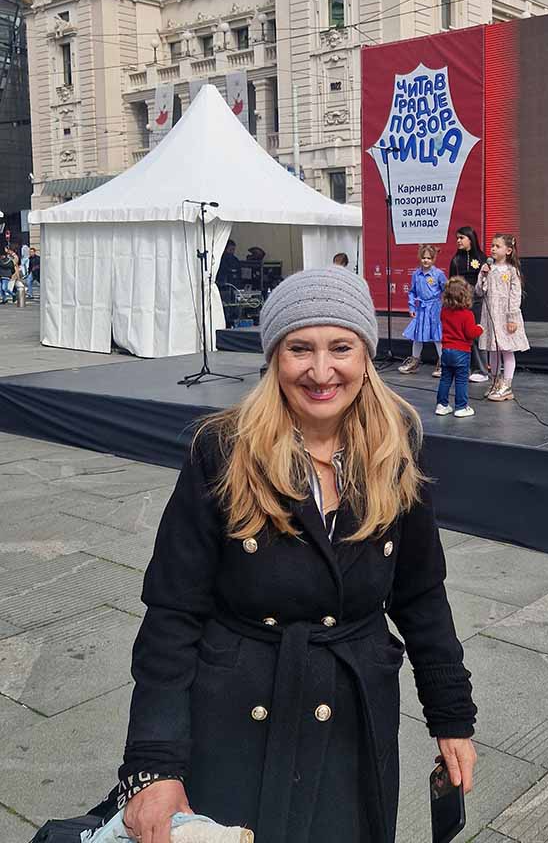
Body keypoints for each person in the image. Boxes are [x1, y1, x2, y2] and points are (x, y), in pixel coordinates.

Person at [117, 268, 477, 843]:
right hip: (237, 714)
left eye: (341, 347)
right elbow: (172, 612)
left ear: (365, 354)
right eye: (300, 348)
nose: (321, 370)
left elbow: (420, 594)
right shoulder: (223, 450)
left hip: (354, 715)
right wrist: (154, 764)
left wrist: (451, 715)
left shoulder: (397, 448)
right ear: (274, 357)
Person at [476, 233, 530, 402]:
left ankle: (507, 385)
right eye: (492, 245)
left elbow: (515, 295)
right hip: (490, 316)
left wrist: (512, 318)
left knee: (506, 350)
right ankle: (495, 381)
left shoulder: (512, 271)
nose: (493, 249)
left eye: (497, 246)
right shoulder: (487, 268)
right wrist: (483, 275)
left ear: (508, 250)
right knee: (493, 349)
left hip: (505, 316)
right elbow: (479, 291)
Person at [435, 278, 484, 419]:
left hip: (446, 350)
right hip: (461, 352)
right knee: (461, 380)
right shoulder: (467, 314)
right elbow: (470, 333)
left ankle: (442, 405)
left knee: (445, 379)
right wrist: (479, 329)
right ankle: (461, 407)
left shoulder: (444, 311)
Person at [398, 244, 446, 378]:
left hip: (435, 309)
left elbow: (447, 290)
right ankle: (414, 362)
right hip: (421, 309)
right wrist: (412, 307)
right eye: (424, 258)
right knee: (417, 335)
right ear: (420, 258)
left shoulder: (439, 274)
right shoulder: (416, 274)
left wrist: (444, 305)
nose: (426, 260)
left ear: (433, 259)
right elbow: (412, 291)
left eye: (429, 258)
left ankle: (443, 363)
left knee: (437, 336)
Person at [449, 227, 489, 383]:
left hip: (477, 301)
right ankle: (465, 368)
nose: (458, 241)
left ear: (470, 239)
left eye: (462, 238)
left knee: (476, 334)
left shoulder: (482, 258)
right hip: (460, 301)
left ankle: (481, 370)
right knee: (462, 335)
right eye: (457, 238)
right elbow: (451, 281)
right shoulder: (455, 260)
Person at [216, 240, 243, 328]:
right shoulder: (220, 260)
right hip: (224, 289)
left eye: (233, 250)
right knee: (226, 309)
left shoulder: (235, 260)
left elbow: (239, 275)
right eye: (230, 249)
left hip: (234, 288)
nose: (232, 252)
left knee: (235, 308)